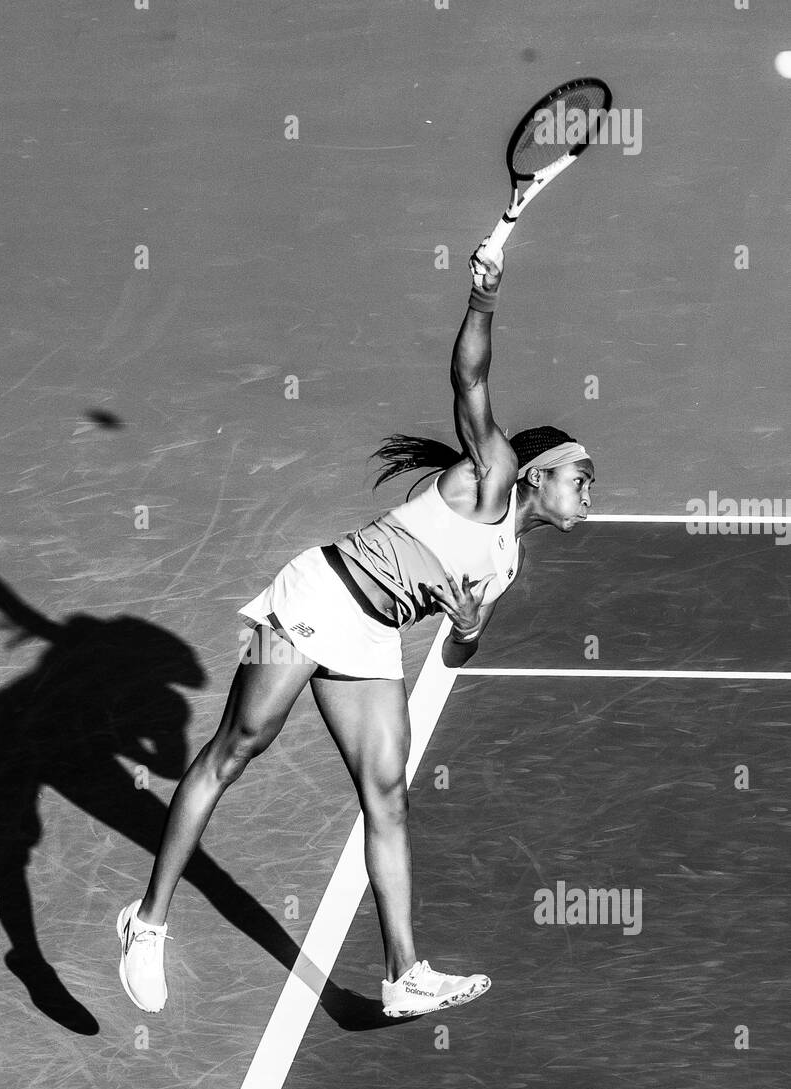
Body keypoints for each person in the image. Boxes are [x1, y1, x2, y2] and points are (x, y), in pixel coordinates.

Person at [116, 241, 595, 1018]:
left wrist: (467, 625)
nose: (589, 496)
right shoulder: (492, 476)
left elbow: (455, 650)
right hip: (315, 594)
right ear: (537, 475)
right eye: (583, 480)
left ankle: (405, 972)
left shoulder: (504, 564)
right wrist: (482, 298)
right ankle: (146, 922)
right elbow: (468, 378)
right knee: (237, 748)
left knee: (387, 798)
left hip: (370, 638)